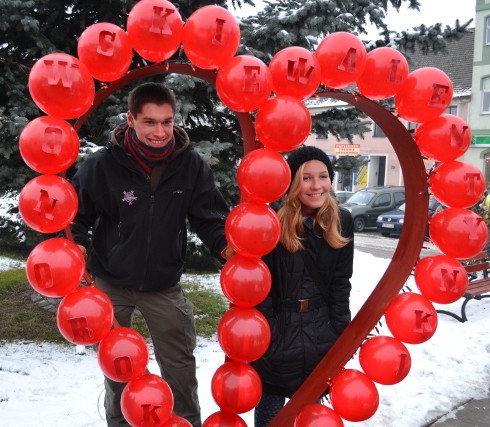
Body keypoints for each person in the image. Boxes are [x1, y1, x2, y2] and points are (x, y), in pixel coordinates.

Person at [70, 82, 231, 427]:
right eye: (150, 122)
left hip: (163, 284)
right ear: (131, 119)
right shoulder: (102, 165)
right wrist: (78, 244)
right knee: (118, 371)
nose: (160, 132)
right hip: (111, 283)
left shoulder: (191, 166)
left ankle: (186, 422)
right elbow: (74, 214)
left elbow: (210, 217)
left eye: (167, 122)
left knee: (180, 368)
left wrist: (225, 247)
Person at [250, 146, 354, 427]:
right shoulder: (270, 220)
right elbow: (258, 287)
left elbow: (340, 284)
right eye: (306, 178)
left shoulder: (341, 220)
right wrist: (270, 336)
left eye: (323, 176)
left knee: (311, 412)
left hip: (321, 333)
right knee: (272, 412)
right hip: (279, 333)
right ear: (292, 182)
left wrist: (341, 332)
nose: (316, 186)